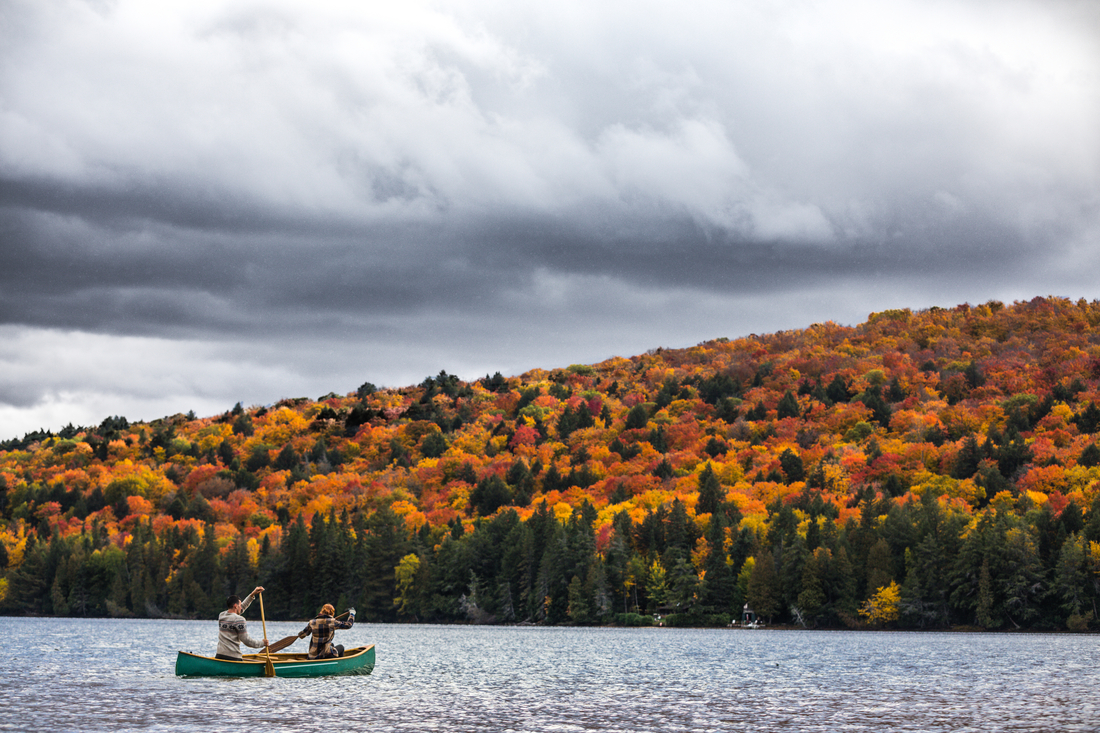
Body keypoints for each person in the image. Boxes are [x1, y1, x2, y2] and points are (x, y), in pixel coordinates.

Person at [215, 586, 269, 660]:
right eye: (239, 605)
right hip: (233, 657)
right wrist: (262, 643)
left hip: (219, 656)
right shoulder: (239, 619)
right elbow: (246, 641)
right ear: (235, 606)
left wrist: (252, 594)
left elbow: (240, 609)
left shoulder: (221, 615)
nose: (241, 607)